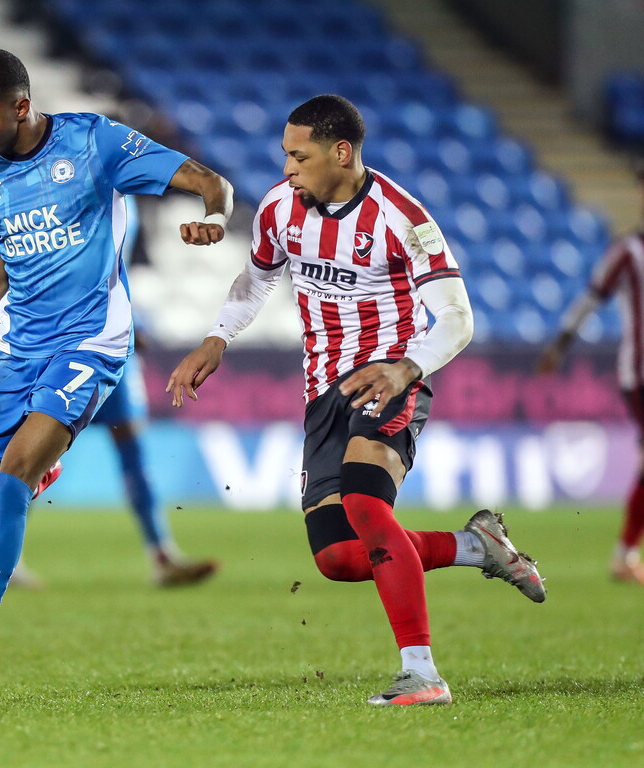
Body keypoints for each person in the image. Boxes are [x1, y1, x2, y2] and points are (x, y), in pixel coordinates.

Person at [167, 95, 545, 707]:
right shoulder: (279, 208)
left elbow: (457, 318)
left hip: (388, 378)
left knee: (369, 506)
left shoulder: (403, 218)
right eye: (285, 156)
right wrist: (218, 336)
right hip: (323, 392)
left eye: (299, 155)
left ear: (341, 152)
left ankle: (422, 674)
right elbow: (260, 276)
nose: (287, 168)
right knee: (342, 557)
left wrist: (406, 368)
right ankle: (478, 546)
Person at [0, 49, 233, 703]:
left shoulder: (92, 142)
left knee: (13, 480)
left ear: (21, 107)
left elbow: (208, 180)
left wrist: (214, 220)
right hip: (14, 348)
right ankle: (38, 468)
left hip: (92, 342)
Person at [89, 196, 218, 587]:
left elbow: (116, 270)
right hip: (65, 338)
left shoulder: (123, 198)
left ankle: (162, 555)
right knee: (36, 453)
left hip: (115, 339)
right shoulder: (60, 186)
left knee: (132, 442)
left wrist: (133, 320)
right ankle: (4, 557)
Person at [537, 164, 644, 584]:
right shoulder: (628, 251)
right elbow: (590, 298)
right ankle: (623, 555)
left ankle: (624, 554)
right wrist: (559, 346)